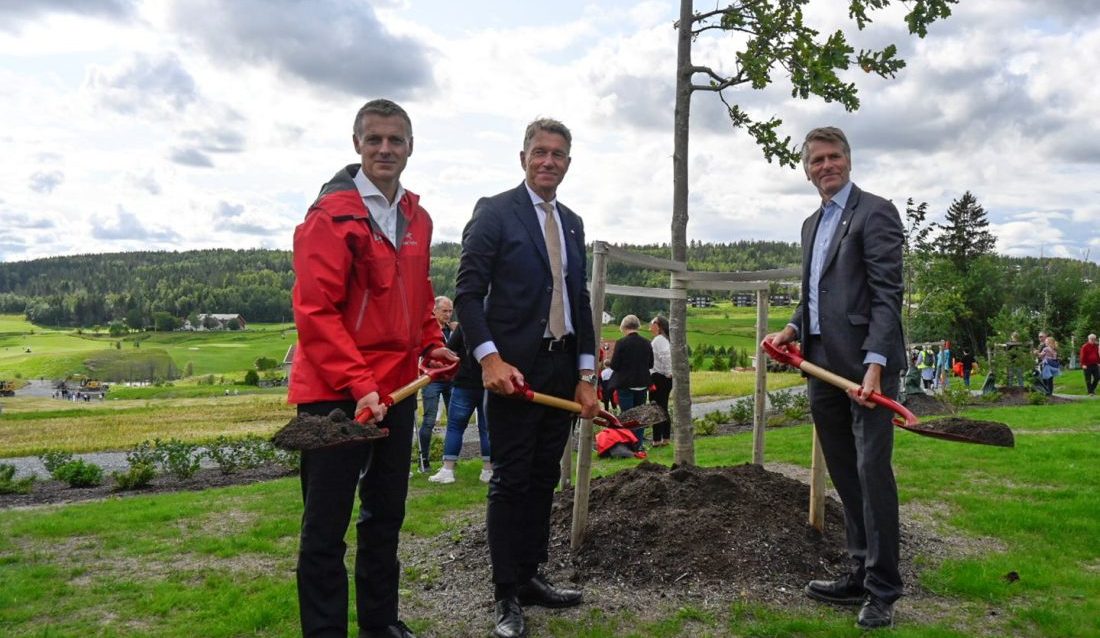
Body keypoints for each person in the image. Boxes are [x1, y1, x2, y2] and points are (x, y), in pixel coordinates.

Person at [288, 98, 457, 638]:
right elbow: (315, 312)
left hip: (398, 390)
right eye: (374, 139)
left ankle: (380, 626)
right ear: (356, 144)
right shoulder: (330, 217)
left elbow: (418, 293)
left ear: (410, 146)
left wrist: (432, 343)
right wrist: (360, 385)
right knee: (325, 528)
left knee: (385, 518)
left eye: (396, 140)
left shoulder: (417, 215)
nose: (386, 149)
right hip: (334, 392)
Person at [454, 117, 598, 638]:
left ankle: (532, 574)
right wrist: (489, 359)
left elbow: (579, 301)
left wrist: (587, 373)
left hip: (562, 367)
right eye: (540, 152)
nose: (548, 161)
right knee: (511, 481)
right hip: (514, 371)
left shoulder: (574, 222)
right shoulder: (495, 212)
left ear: (567, 163)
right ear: (522, 157)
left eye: (558, 154)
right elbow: (467, 294)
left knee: (543, 478)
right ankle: (505, 594)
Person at [764, 126, 906, 630]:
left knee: (872, 472)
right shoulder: (810, 224)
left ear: (849, 159)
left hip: (866, 367)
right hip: (820, 365)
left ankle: (884, 588)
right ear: (806, 169)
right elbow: (812, 296)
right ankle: (858, 571)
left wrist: (876, 365)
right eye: (817, 160)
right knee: (844, 473)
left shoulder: (874, 212)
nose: (827, 166)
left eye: (834, 157)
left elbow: (889, 295)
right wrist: (790, 329)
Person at [428, 323, 493, 484]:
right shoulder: (496, 321)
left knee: (455, 427)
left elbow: (450, 349)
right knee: (486, 429)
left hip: (464, 382)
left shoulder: (465, 323)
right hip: (488, 382)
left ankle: (448, 470)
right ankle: (488, 470)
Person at [417, 295, 455, 473]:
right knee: (429, 420)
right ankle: (424, 460)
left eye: (450, 311)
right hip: (432, 380)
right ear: (435, 311)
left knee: (454, 421)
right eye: (444, 311)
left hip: (451, 380)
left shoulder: (453, 330)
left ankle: (450, 460)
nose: (448, 315)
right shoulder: (427, 332)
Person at [610, 314, 654, 448]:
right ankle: (638, 445)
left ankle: (629, 444)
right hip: (642, 383)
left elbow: (614, 365)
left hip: (625, 384)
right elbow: (651, 364)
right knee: (639, 417)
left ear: (624, 327)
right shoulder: (647, 342)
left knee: (627, 416)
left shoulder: (621, 343)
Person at [648, 315, 673, 447]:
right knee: (661, 407)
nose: (649, 326)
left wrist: (669, 372)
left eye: (652, 323)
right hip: (662, 376)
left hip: (659, 377)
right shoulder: (664, 339)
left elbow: (666, 356)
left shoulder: (659, 340)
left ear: (658, 325)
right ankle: (664, 437)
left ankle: (658, 439)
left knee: (657, 408)